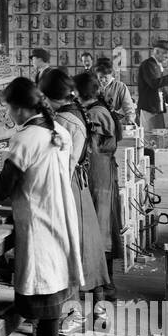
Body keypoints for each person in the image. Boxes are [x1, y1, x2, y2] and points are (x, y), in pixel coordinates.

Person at [0, 77, 82, 336]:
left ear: (19, 109)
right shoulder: (57, 130)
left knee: (43, 279)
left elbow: (7, 182)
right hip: (59, 209)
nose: (8, 114)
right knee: (54, 277)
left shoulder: (25, 138)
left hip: (39, 214)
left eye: (8, 108)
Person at [39, 67, 111, 300]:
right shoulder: (76, 111)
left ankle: (71, 304)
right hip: (79, 184)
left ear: (47, 96)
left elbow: (61, 165)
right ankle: (95, 297)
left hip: (68, 184)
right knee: (85, 243)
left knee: (73, 245)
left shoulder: (63, 120)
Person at [75, 70, 123, 301]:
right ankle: (104, 286)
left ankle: (104, 286)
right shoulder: (100, 110)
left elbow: (88, 147)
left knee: (99, 229)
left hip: (97, 174)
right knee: (102, 228)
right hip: (102, 173)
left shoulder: (95, 114)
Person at [136, 38, 168, 131]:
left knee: (158, 137)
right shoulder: (148, 65)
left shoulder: (157, 65)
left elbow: (161, 88)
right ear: (157, 52)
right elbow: (154, 83)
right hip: (149, 108)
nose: (167, 57)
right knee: (150, 138)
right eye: (165, 54)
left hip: (156, 109)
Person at [93, 56, 135, 128]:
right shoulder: (93, 86)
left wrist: (130, 120)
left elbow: (128, 107)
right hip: (96, 123)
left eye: (106, 77)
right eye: (100, 77)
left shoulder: (120, 87)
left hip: (114, 124)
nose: (103, 80)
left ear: (112, 73)